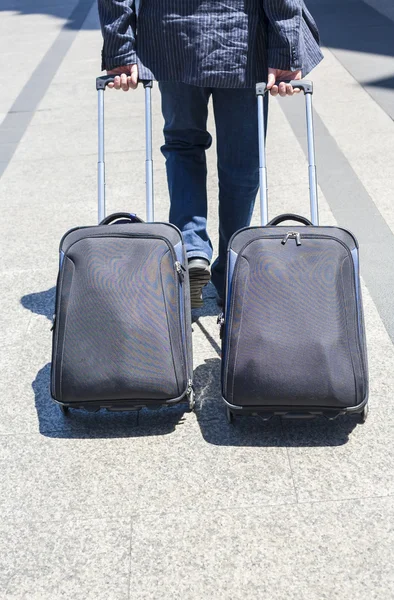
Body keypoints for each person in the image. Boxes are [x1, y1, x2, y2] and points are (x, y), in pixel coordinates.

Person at [98, 1, 323, 307]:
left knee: (183, 144)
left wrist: (120, 46)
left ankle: (191, 251)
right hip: (241, 33)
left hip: (170, 33)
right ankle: (232, 267)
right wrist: (286, 48)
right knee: (243, 160)